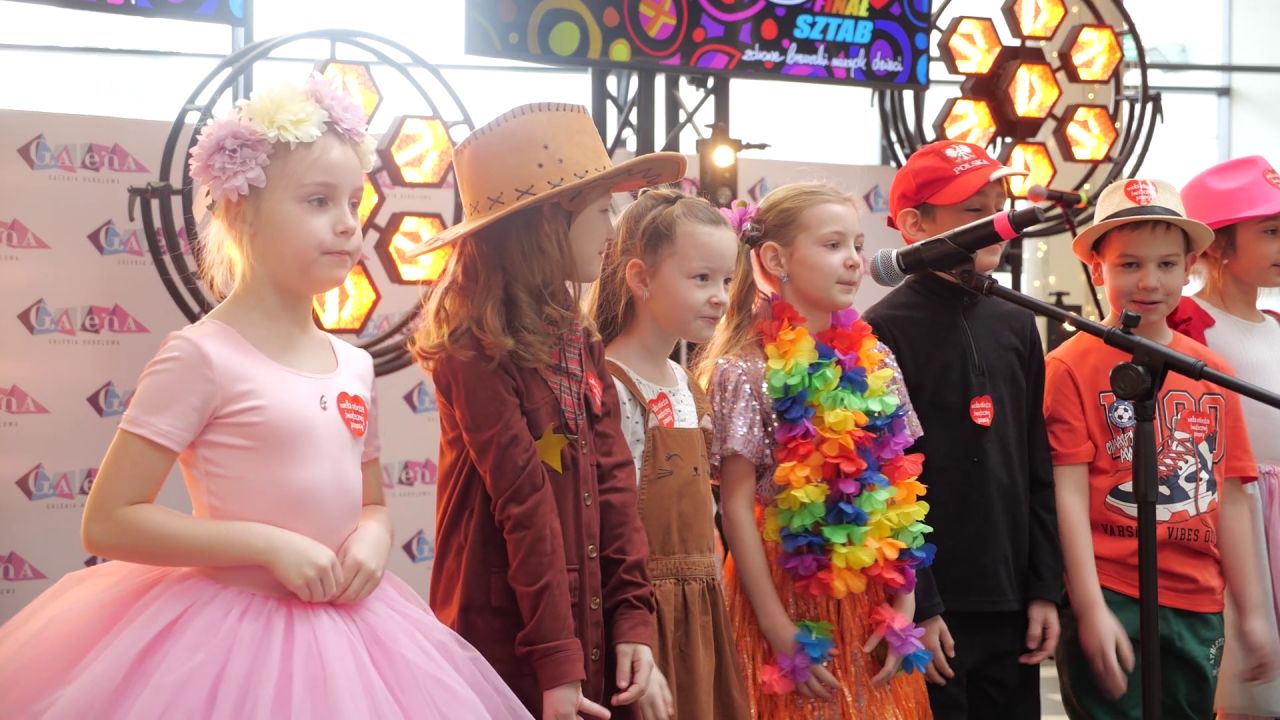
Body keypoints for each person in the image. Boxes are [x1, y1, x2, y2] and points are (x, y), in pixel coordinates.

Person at [0, 77, 530, 719]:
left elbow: (371, 503)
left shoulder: (355, 366)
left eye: (354, 201)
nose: (347, 223)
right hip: (226, 642)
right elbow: (110, 519)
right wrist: (265, 545)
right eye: (317, 201)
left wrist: (372, 538)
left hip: (355, 638)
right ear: (239, 214)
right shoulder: (201, 356)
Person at [408, 103, 685, 720]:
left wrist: (632, 620)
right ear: (549, 220)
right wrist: (557, 664)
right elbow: (524, 507)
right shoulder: (473, 347)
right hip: (505, 645)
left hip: (585, 633)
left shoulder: (576, 336)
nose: (613, 229)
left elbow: (614, 485)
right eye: (604, 209)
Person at [697, 182, 934, 719]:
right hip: (781, 589)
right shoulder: (743, 369)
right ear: (775, 259)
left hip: (871, 595)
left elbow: (899, 487)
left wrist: (906, 600)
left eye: (856, 245)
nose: (853, 260)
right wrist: (778, 628)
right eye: (832, 245)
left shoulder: (877, 360)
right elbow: (735, 506)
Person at [1044, 177, 1279, 718]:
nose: (1149, 281)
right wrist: (1090, 607)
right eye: (1129, 264)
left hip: (1197, 597)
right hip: (1111, 589)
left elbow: (1233, 497)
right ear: (1097, 269)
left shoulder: (1212, 371)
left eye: (1167, 265)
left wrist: (1253, 615)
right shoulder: (1069, 366)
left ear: (1190, 266)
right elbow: (1068, 495)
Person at [862, 140, 1061, 719]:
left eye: (1000, 208)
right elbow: (884, 484)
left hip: (1012, 599)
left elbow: (1036, 462)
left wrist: (1044, 588)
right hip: (936, 604)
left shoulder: (1018, 322)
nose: (996, 224)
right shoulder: (882, 329)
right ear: (915, 225)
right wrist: (921, 603)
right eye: (974, 211)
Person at [587, 187, 751, 719]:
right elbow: (605, 528)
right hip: (640, 614)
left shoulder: (686, 381)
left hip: (699, 613)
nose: (720, 297)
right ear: (641, 278)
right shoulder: (609, 385)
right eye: (701, 278)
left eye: (726, 280)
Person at [1168, 155, 1280, 719]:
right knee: (1239, 681)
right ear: (1216, 245)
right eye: (1271, 231)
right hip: (1228, 513)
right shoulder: (1185, 323)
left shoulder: (1277, 325)